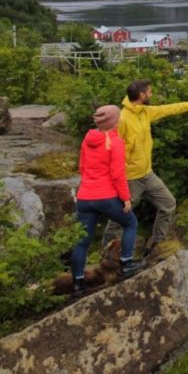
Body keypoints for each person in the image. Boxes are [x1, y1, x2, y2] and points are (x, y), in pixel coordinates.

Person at [103, 79, 188, 256]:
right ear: (141, 95)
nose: (151, 94)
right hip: (130, 178)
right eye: (149, 92)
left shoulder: (144, 112)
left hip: (147, 174)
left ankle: (156, 244)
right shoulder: (123, 119)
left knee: (168, 204)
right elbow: (110, 148)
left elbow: (168, 109)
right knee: (120, 216)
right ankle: (105, 250)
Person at [71, 105, 143, 292]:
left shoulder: (88, 139)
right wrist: (125, 198)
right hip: (106, 196)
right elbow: (118, 174)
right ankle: (126, 264)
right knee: (130, 223)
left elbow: (82, 167)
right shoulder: (115, 141)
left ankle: (78, 282)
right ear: (114, 122)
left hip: (85, 197)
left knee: (82, 242)